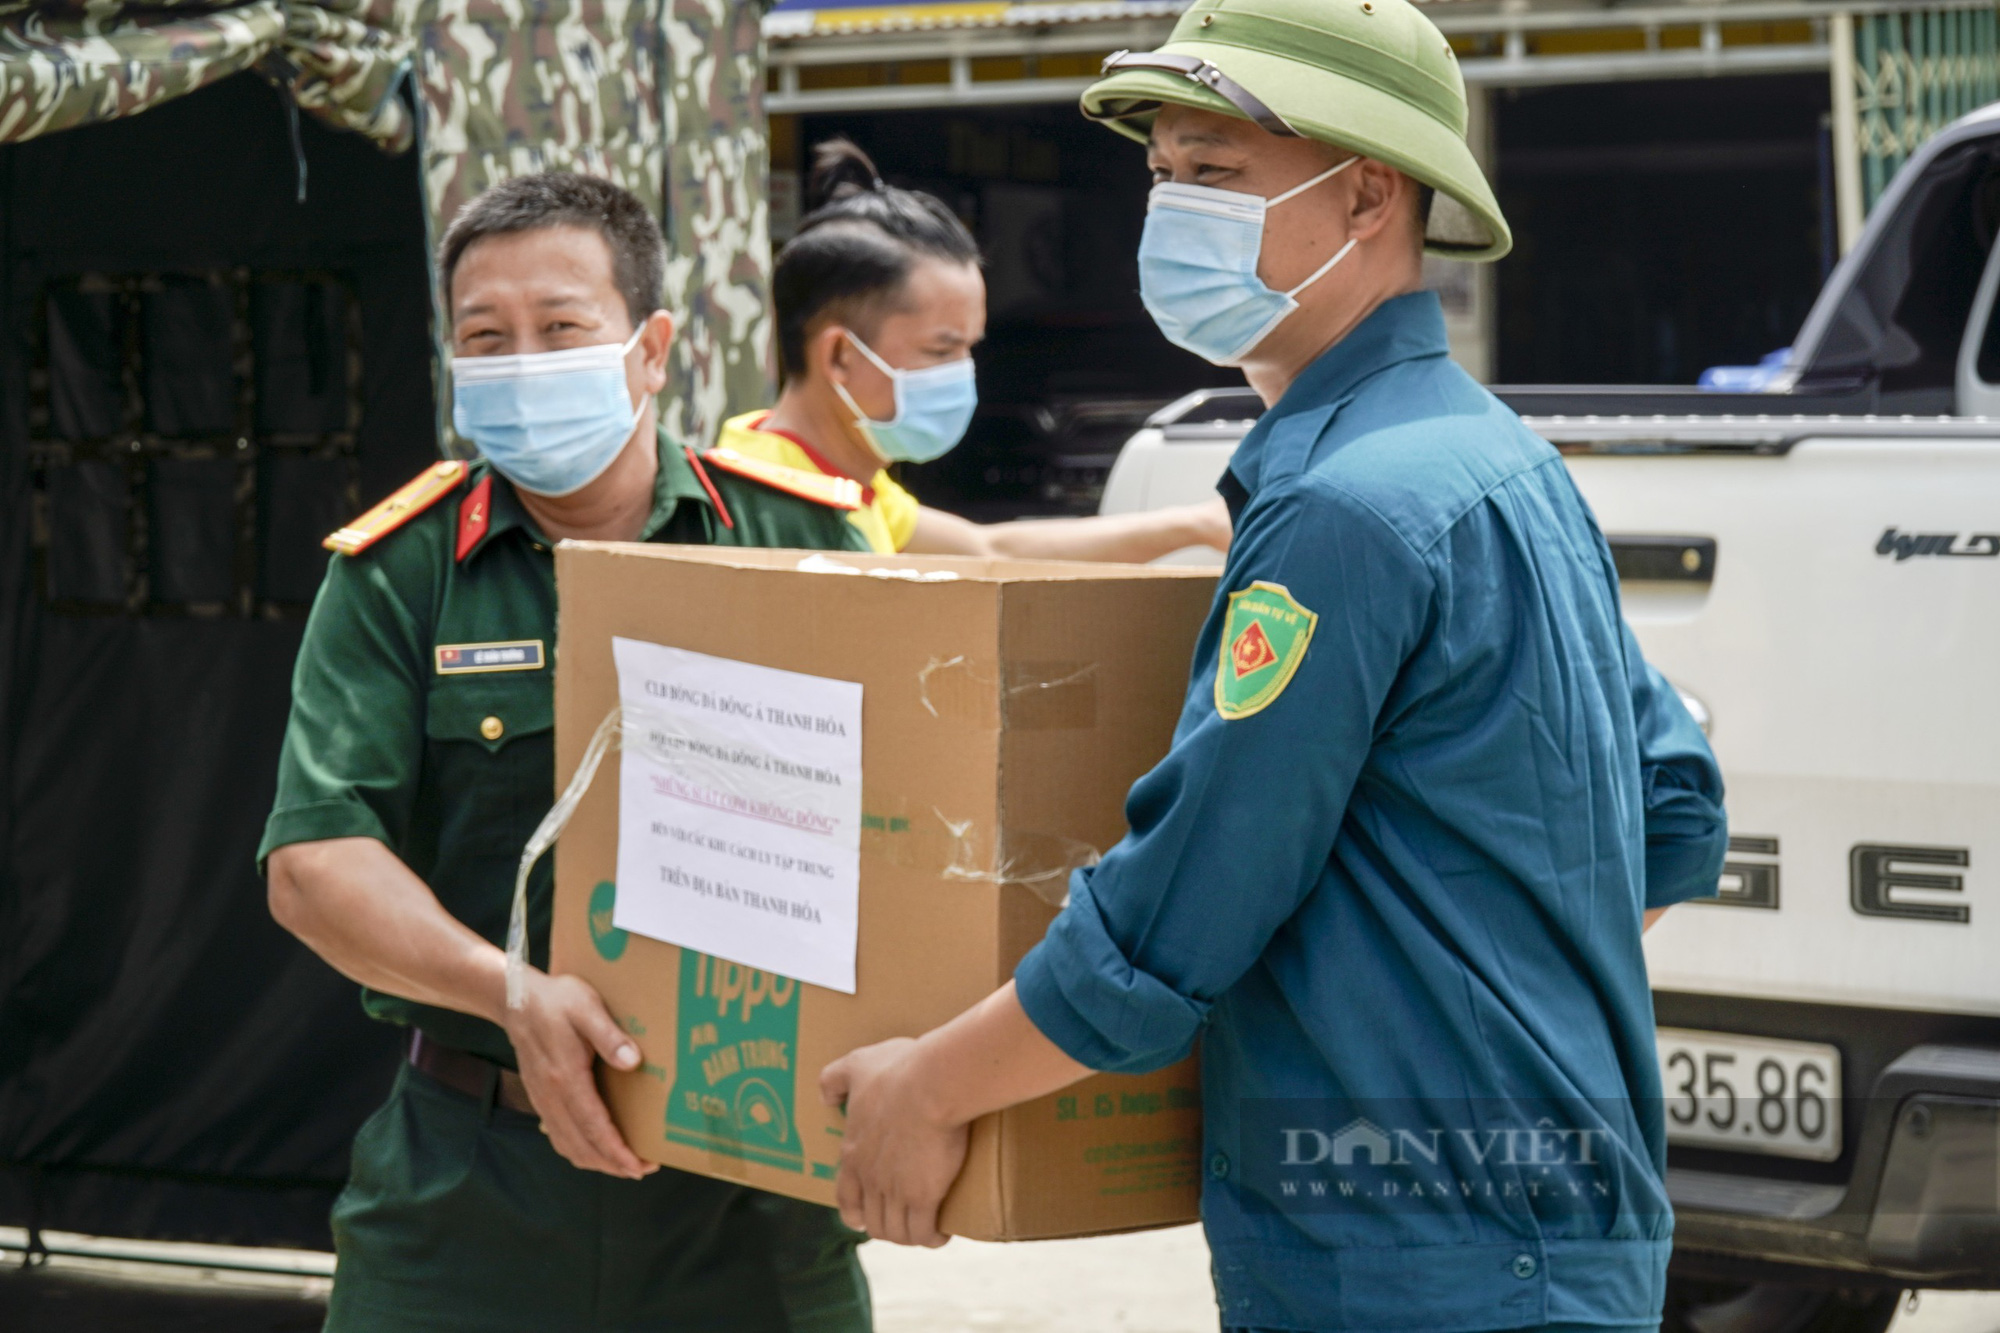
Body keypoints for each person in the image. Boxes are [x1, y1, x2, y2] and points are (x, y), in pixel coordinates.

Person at [819, 3, 1729, 1332]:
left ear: (1366, 196)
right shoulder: (1501, 462)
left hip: (1412, 1261)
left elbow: (1178, 916)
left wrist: (929, 1088)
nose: (1172, 210)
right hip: (1550, 1230)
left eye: (1216, 174)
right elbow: (1679, 808)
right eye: (1163, 177)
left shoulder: (1343, 511)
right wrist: (1479, 983)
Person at [260, 172, 875, 1332]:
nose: (521, 363)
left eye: (560, 328)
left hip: (755, 1185)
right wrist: (514, 997)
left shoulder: (798, 535)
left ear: (650, 348)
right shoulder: (400, 568)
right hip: (470, 1178)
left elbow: (908, 828)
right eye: (485, 339)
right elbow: (314, 859)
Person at [708, 138, 1231, 562]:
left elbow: (989, 549)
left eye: (969, 349)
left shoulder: (843, 482)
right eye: (940, 350)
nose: (963, 375)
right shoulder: (769, 507)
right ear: (840, 356)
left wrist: (1196, 525)